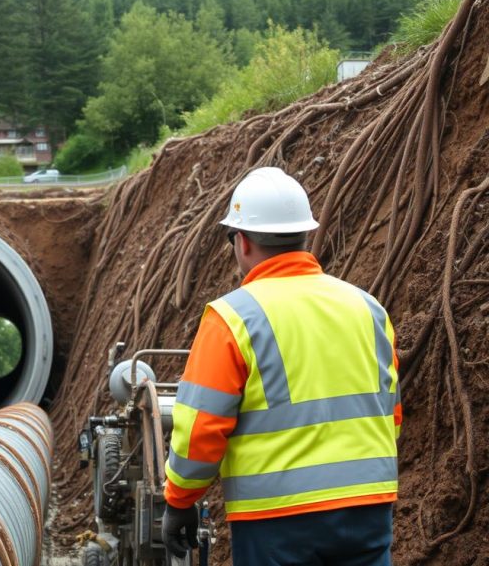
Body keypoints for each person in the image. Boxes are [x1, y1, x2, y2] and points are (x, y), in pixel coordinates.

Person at [162, 167, 402, 565]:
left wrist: (180, 499)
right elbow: (389, 413)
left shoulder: (232, 318)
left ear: (241, 242)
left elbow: (201, 428)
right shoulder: (367, 308)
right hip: (367, 510)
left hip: (277, 517)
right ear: (305, 236)